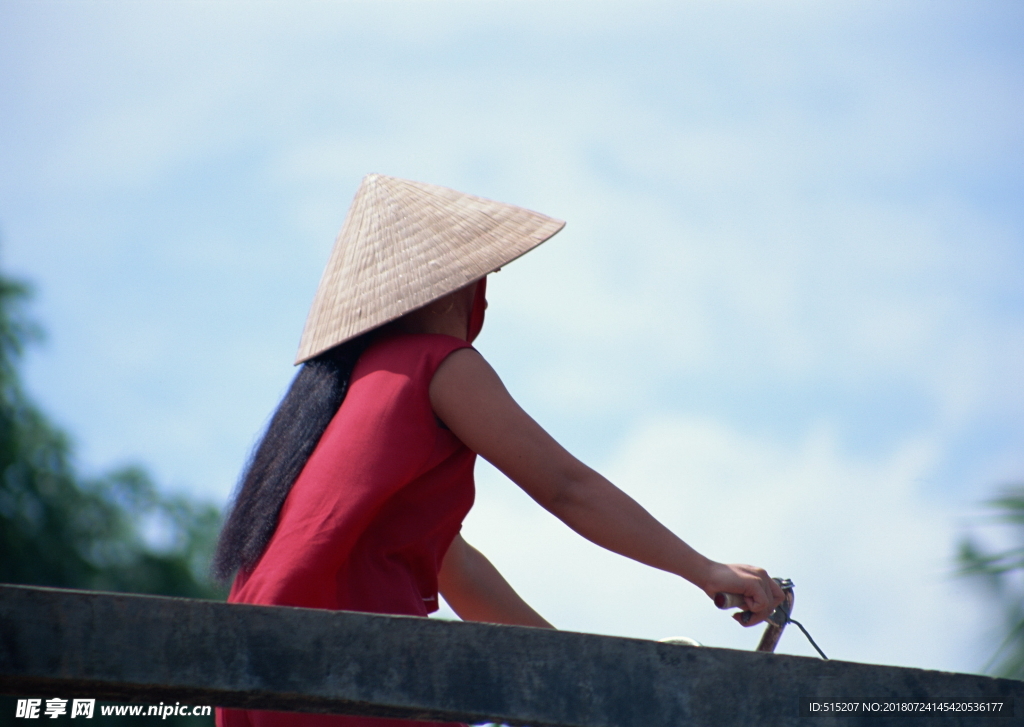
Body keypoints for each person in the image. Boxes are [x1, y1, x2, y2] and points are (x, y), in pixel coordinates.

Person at [213, 174, 784, 727]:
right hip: (339, 662)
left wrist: (580, 679)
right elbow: (567, 487)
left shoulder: (343, 394)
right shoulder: (438, 363)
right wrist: (704, 569)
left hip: (253, 672)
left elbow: (454, 567)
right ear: (456, 285)